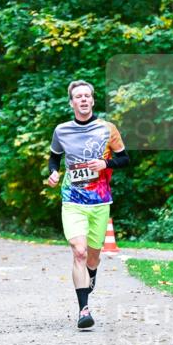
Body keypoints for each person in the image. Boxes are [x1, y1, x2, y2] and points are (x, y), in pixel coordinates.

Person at [47, 80, 130, 329]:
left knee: (93, 257)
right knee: (79, 251)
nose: (83, 100)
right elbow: (54, 158)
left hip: (100, 200)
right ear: (72, 102)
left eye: (87, 96)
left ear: (92, 100)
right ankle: (83, 310)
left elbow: (124, 159)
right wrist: (53, 173)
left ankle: (91, 274)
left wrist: (106, 164)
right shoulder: (62, 130)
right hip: (72, 198)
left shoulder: (107, 129)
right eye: (78, 97)